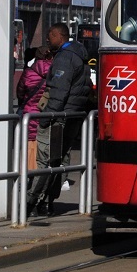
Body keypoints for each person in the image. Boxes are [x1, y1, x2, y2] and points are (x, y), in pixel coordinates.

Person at [32, 23, 92, 217]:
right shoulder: (80, 56)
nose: (48, 39)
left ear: (59, 35)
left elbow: (58, 92)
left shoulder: (65, 58)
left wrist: (46, 118)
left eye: (50, 35)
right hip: (73, 115)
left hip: (59, 117)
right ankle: (48, 202)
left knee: (46, 159)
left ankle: (33, 201)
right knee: (59, 160)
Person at [16, 38, 53, 202]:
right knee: (43, 155)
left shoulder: (28, 72)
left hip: (28, 117)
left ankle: (26, 185)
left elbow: (20, 93)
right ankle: (40, 192)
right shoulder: (55, 73)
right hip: (45, 120)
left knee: (28, 153)